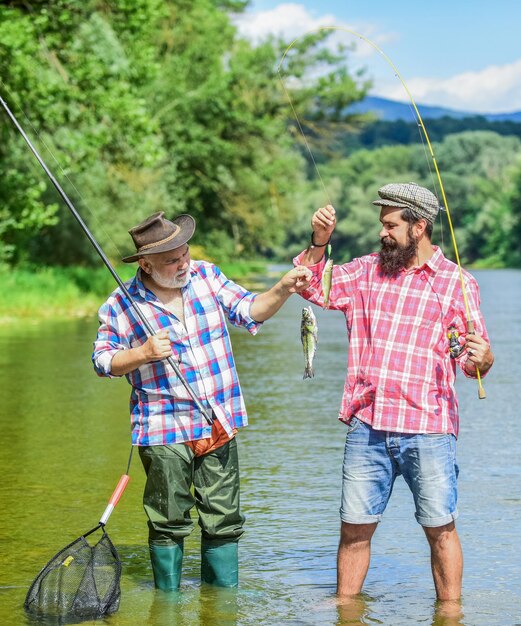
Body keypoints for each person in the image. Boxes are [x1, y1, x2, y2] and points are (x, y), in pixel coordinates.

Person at [294, 182, 494, 601]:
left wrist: (482, 360)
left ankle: (451, 614)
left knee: (441, 529)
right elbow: (309, 287)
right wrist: (319, 242)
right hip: (368, 426)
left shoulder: (457, 283)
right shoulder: (365, 271)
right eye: (381, 224)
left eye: (390, 225)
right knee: (353, 530)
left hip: (429, 428)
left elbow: (470, 360)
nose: (381, 233)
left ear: (418, 227)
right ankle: (346, 611)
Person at [92, 211, 311, 591]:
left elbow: (249, 310)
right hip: (162, 427)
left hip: (217, 419)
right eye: (171, 260)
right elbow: (102, 361)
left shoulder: (206, 276)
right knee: (167, 521)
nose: (183, 264)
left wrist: (284, 287)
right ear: (145, 264)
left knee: (224, 519)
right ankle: (168, 605)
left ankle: (221, 604)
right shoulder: (121, 303)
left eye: (184, 254)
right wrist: (141, 353)